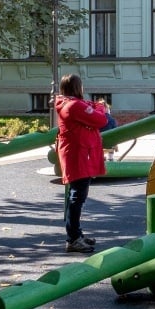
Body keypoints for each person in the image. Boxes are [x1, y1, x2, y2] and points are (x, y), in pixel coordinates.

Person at [55, 73, 109, 253]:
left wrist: (96, 107)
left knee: (77, 196)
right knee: (77, 197)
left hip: (76, 153)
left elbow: (91, 108)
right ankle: (73, 239)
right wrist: (101, 108)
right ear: (78, 87)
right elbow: (101, 120)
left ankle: (76, 234)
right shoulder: (74, 106)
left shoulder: (69, 103)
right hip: (78, 155)